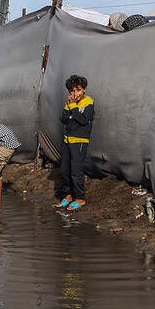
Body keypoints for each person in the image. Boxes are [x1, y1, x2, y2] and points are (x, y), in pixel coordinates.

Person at [58, 74, 95, 209]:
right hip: (67, 140)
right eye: (72, 91)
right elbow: (63, 118)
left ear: (84, 89)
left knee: (76, 170)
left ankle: (80, 198)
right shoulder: (70, 103)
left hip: (79, 141)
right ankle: (68, 195)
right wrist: (71, 108)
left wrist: (73, 109)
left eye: (78, 90)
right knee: (64, 169)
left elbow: (83, 120)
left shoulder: (89, 103)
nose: (75, 93)